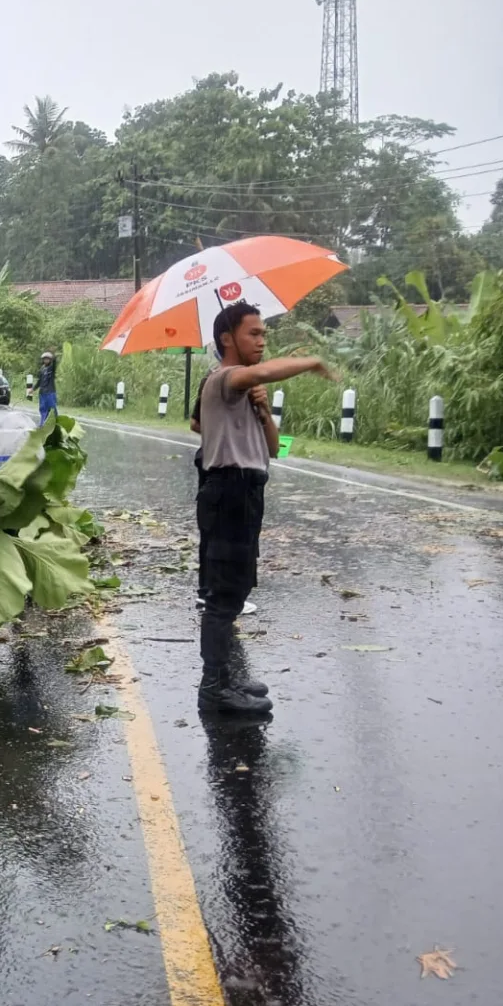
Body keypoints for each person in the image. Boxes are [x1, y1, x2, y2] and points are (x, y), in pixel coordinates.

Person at [197, 302, 333, 716]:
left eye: (263, 335)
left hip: (248, 493)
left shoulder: (246, 391)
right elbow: (261, 372)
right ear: (228, 339)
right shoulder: (222, 378)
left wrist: (264, 410)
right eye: (253, 334)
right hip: (227, 492)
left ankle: (226, 675)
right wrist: (310, 362)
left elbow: (273, 449)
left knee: (238, 589)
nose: (261, 341)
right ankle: (214, 687)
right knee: (223, 595)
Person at [192, 392, 256, 616]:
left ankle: (212, 593)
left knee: (216, 532)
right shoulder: (223, 383)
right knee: (224, 534)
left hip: (220, 463)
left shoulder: (235, 384)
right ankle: (220, 595)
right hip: (225, 468)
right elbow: (196, 423)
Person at [35, 351, 59, 423]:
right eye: (45, 359)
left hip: (50, 392)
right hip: (42, 393)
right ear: (43, 360)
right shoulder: (42, 369)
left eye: (48, 359)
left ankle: (55, 423)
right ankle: (43, 423)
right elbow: (39, 381)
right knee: (42, 408)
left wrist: (54, 356)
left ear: (50, 360)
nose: (46, 360)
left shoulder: (51, 368)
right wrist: (33, 389)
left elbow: (54, 364)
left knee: (52, 408)